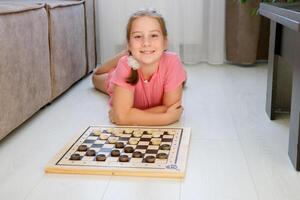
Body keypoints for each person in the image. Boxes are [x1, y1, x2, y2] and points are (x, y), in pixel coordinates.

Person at [92, 9, 186, 126]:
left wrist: (128, 115)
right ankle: (127, 53)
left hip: (157, 64)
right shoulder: (125, 65)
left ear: (165, 42)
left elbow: (171, 107)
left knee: (175, 72)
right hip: (120, 78)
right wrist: (166, 118)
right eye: (137, 36)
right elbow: (122, 117)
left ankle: (180, 76)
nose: (146, 43)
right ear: (129, 43)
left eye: (153, 35)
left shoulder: (172, 61)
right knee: (95, 76)